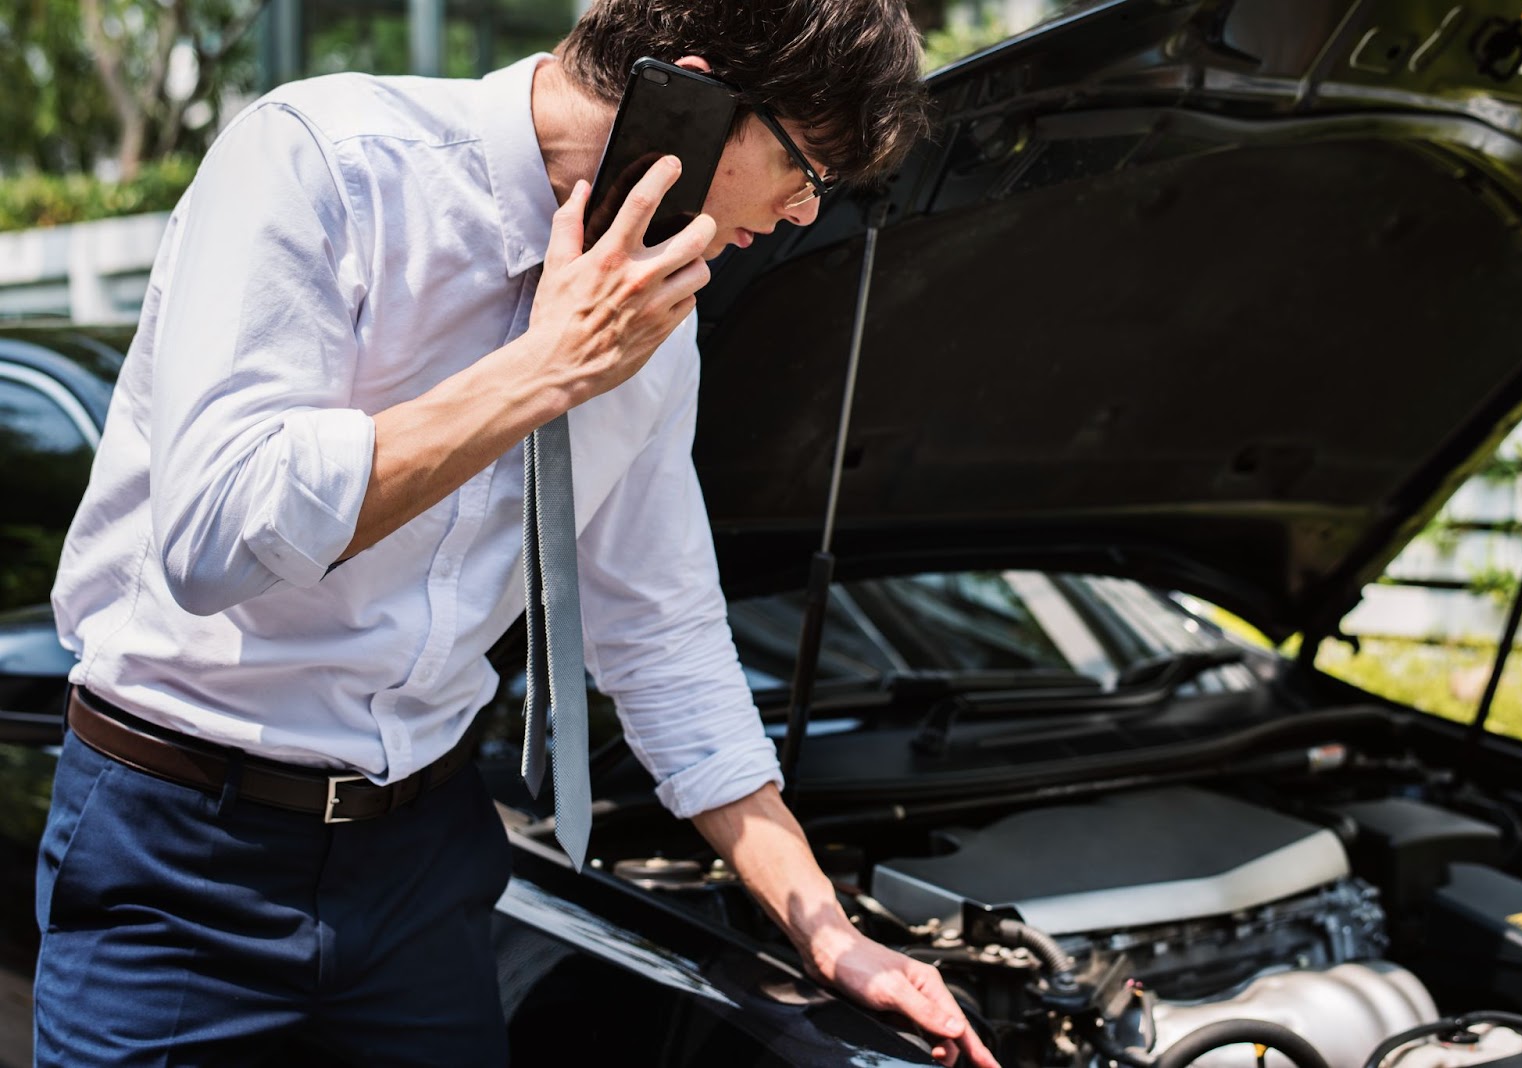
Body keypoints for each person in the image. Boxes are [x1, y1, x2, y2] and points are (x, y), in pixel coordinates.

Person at [36, 1, 1001, 1066]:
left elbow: (664, 635)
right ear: (695, 96)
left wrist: (824, 928)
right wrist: (543, 371)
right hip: (177, 852)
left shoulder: (652, 324)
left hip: (424, 858)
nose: (800, 216)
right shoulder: (323, 160)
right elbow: (218, 537)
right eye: (805, 171)